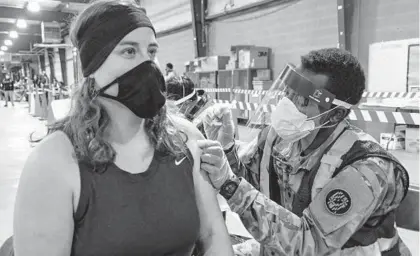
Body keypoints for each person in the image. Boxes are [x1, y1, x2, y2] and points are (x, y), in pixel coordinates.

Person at [10, 1, 233, 255]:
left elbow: (213, 234)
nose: (148, 65)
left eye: (151, 51)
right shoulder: (53, 162)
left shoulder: (184, 139)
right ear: (93, 67)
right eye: (129, 51)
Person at [198, 48, 411, 256]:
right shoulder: (279, 139)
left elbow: (308, 245)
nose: (287, 105)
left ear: (335, 115)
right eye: (287, 93)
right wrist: (227, 150)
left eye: (302, 101)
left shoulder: (366, 168)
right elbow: (252, 184)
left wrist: (229, 184)